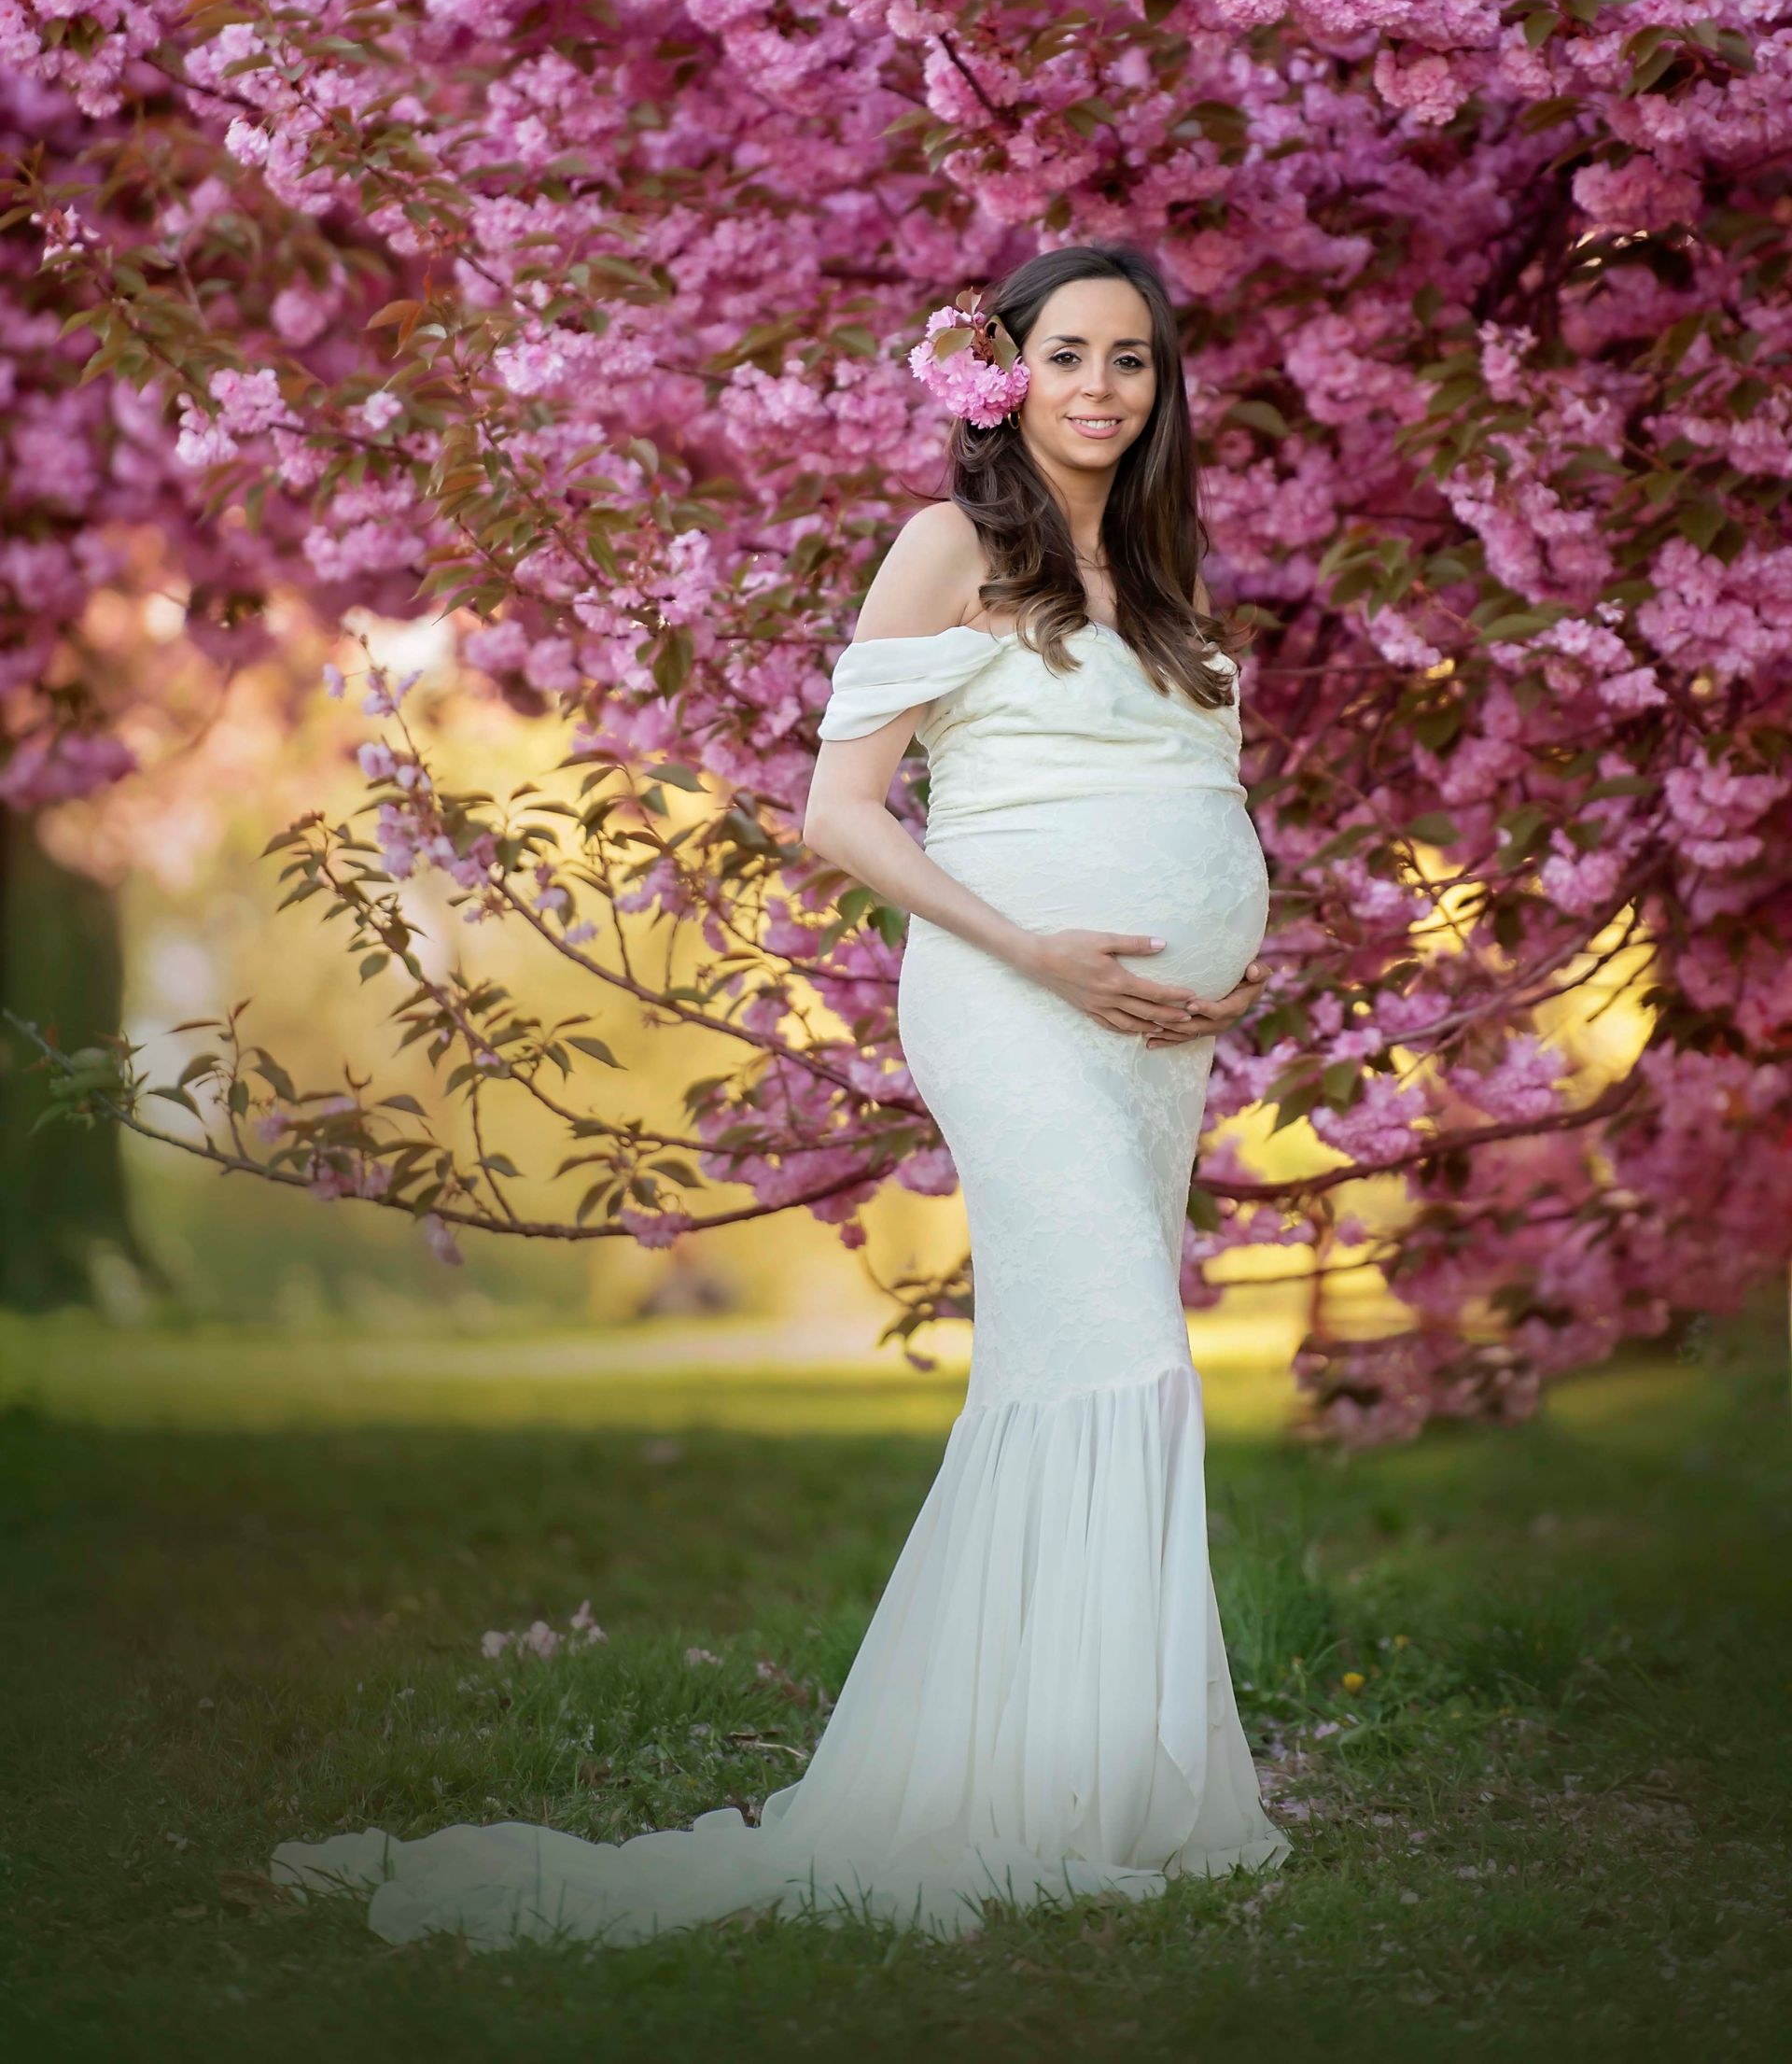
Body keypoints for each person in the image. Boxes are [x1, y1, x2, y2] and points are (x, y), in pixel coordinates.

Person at [272, 240, 1291, 1945]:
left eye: (1133, 360)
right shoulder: (951, 547)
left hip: (1153, 1031)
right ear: (1005, 373)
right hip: (1014, 999)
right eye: (1069, 356)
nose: (1103, 388)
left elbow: (1189, 788)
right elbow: (843, 812)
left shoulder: (1169, 579)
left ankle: (1098, 1771)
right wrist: (1040, 951)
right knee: (1120, 1343)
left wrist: (1216, 941)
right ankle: (1044, 1783)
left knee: (1079, 1359)